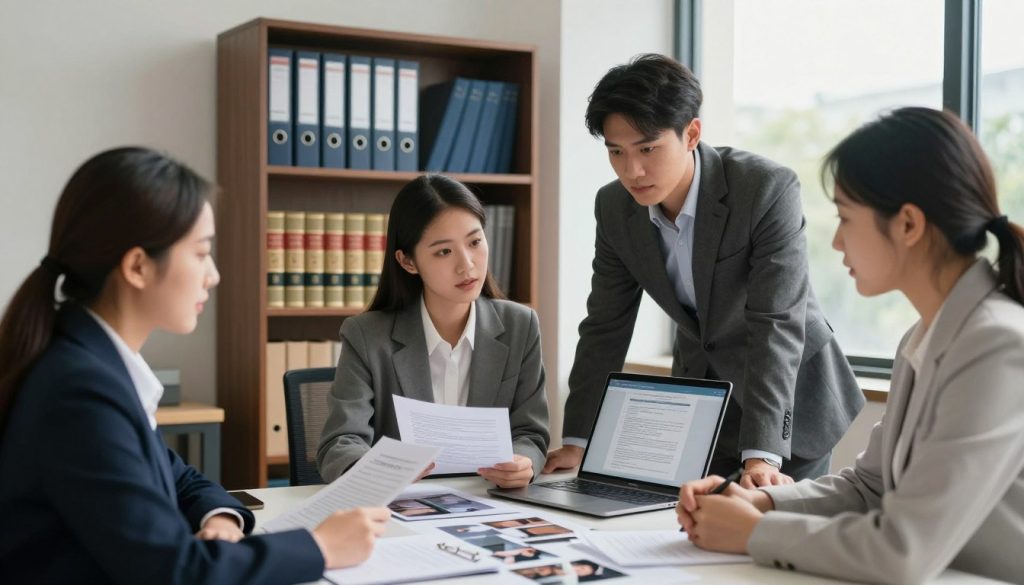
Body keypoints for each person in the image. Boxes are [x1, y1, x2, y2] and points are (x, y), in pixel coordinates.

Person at [0, 147, 390, 584]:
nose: (214, 274)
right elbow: (174, 572)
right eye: (202, 252)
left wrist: (221, 518)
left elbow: (180, 477)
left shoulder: (92, 363)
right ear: (137, 266)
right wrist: (321, 548)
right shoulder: (80, 392)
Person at [677, 107, 1024, 585]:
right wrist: (759, 499)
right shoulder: (922, 338)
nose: (837, 242)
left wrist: (756, 532)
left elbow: (904, 550)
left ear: (908, 225)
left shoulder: (999, 347)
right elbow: (870, 487)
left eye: (845, 218)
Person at [544, 53, 864, 486]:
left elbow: (777, 322)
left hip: (789, 402)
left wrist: (763, 457)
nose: (631, 170)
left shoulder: (765, 189)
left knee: (771, 539)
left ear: (691, 133)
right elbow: (605, 325)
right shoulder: (615, 207)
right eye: (616, 152)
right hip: (700, 405)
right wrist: (578, 439)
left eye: (647, 148)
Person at [317, 174, 549, 488]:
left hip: (490, 502)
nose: (467, 266)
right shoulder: (367, 335)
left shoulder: (521, 326)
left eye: (475, 242)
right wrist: (383, 471)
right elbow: (340, 444)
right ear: (408, 261)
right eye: (444, 252)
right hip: (401, 507)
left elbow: (530, 433)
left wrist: (525, 462)